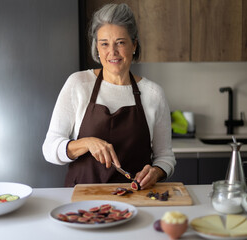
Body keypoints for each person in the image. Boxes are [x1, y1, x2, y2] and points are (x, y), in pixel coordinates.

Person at [42, 3, 176, 189]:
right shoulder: (78, 84)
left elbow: (165, 157)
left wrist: (156, 172)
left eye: (120, 42)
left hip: (135, 201)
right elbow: (49, 149)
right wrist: (86, 143)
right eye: (104, 44)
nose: (112, 52)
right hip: (83, 203)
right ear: (97, 47)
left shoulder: (153, 94)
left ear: (134, 45)